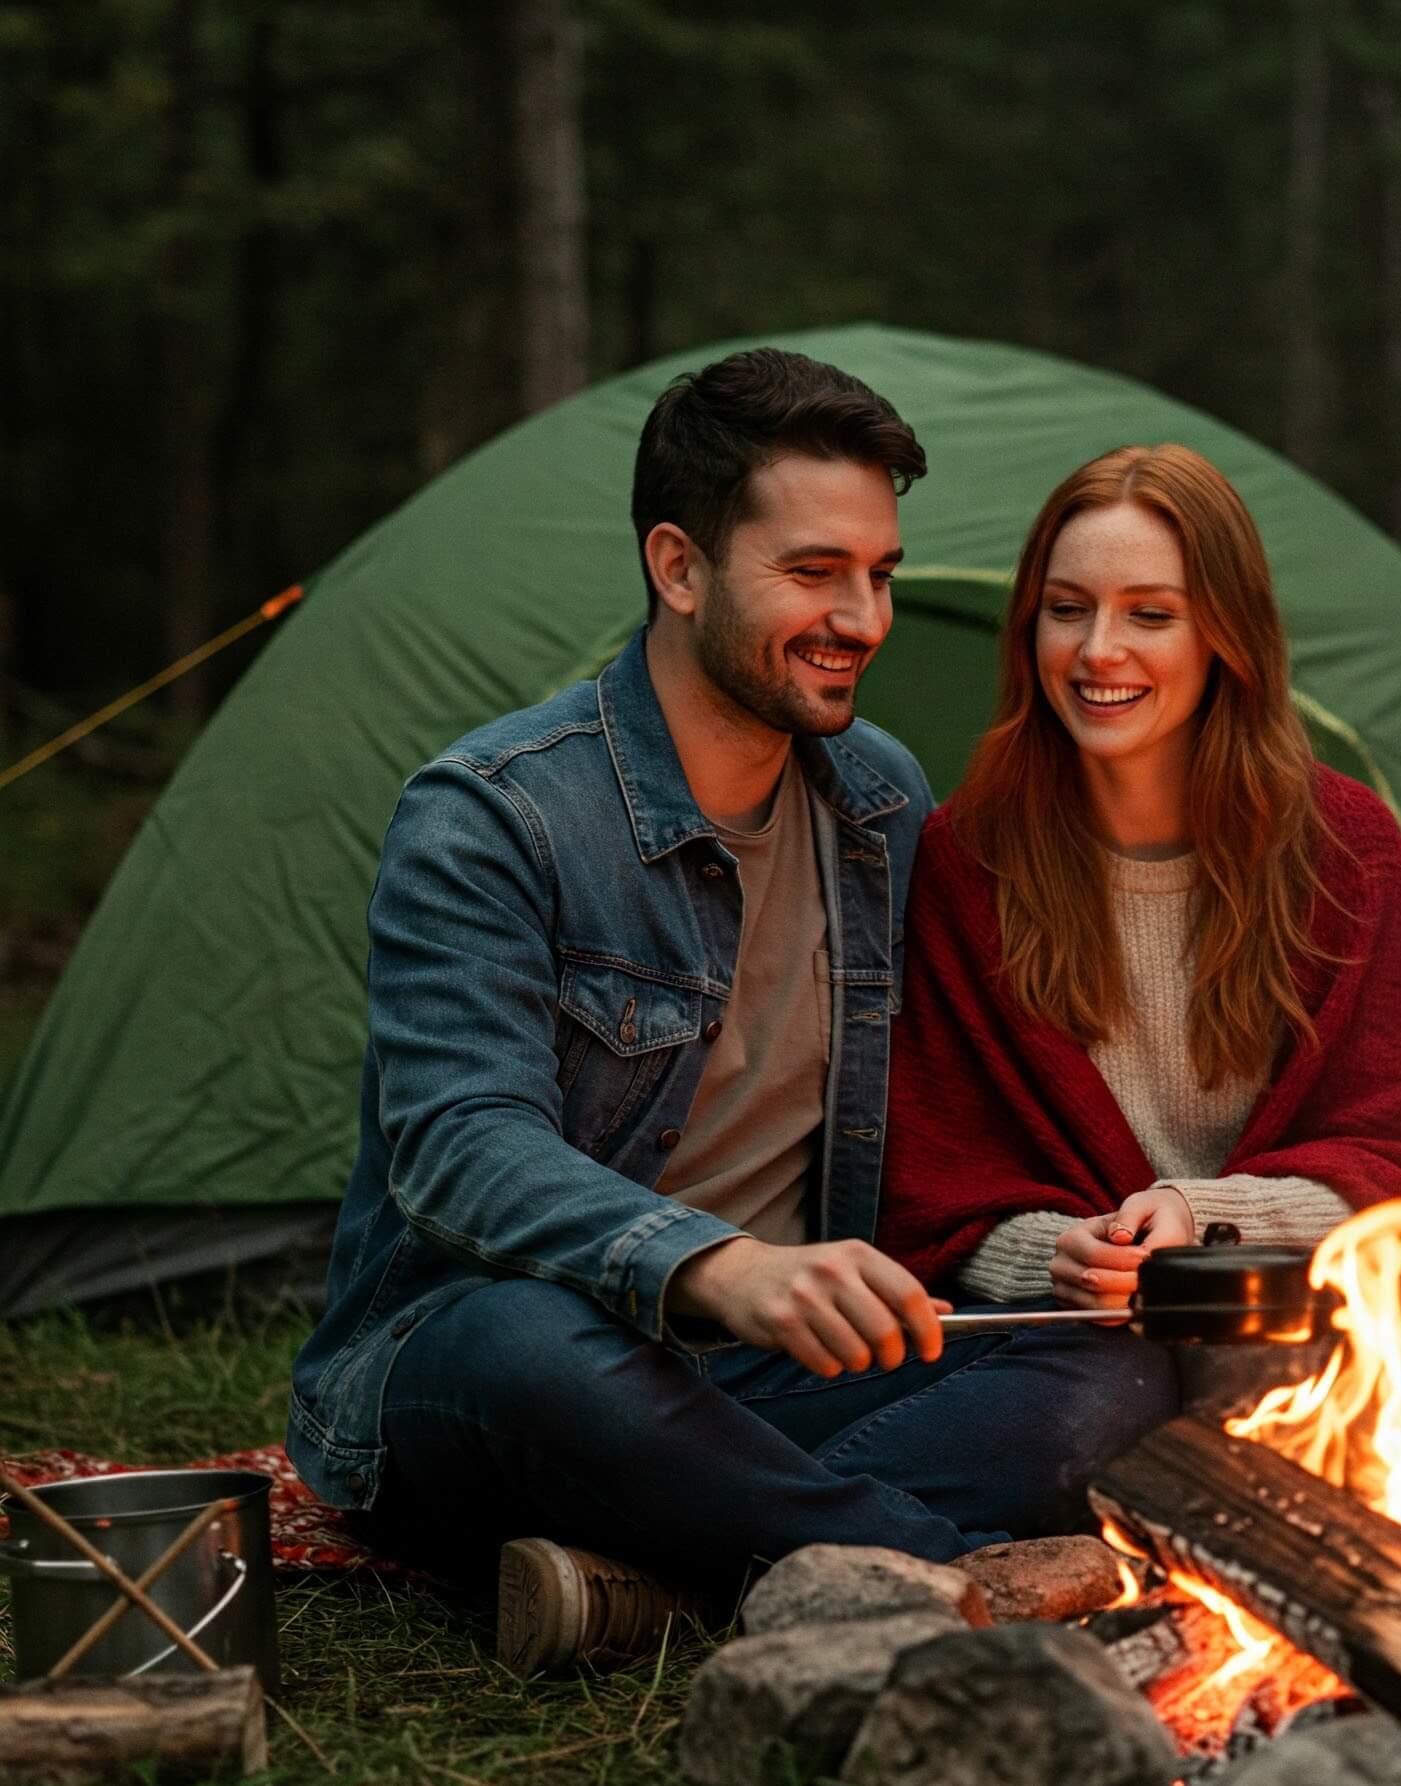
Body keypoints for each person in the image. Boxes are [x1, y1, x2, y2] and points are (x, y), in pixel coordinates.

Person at [286, 352, 1180, 1674]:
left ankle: (673, 1571)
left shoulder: (876, 801)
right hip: (516, 1364)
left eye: (878, 573)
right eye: (816, 572)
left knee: (1113, 1372)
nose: (864, 618)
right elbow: (460, 1144)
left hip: (767, 1387)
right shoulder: (495, 816)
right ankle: (937, 1580)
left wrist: (1074, 1242)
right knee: (523, 1345)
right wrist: (720, 1266)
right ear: (679, 566)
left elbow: (957, 1093)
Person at [877, 442, 1401, 1503]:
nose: (1097, 649)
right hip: (1075, 1338)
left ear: (1223, 635)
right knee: (1084, 1414)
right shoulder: (967, 855)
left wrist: (1204, 1215)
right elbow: (936, 1174)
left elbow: (1392, 1150)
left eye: (1149, 613)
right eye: (1066, 608)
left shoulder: (1341, 844)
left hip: (1309, 1300)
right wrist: (1059, 1254)